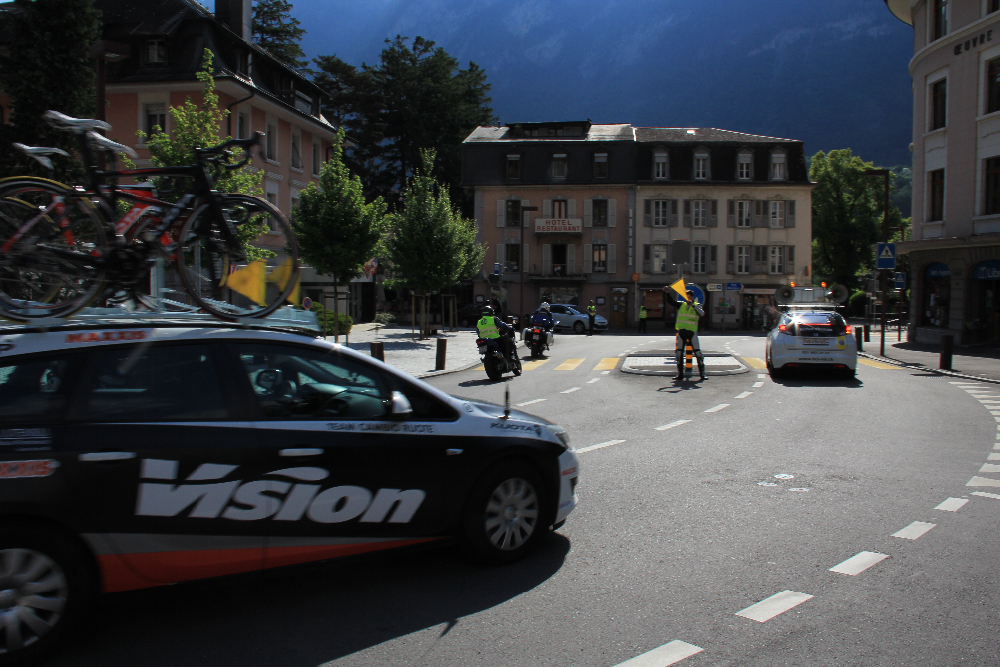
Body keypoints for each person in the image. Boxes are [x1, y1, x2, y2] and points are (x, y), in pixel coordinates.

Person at [665, 288, 706, 380]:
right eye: (685, 297)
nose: (687, 299)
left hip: (692, 332)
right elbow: (671, 301)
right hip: (681, 332)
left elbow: (702, 314)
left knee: (698, 353)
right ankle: (680, 374)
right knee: (679, 353)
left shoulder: (697, 305)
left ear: (692, 297)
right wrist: (667, 293)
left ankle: (702, 374)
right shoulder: (681, 304)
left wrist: (693, 306)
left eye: (688, 297)